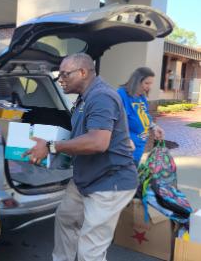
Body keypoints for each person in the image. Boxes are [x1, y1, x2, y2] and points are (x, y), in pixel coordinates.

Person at [23, 53, 138, 261]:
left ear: (83, 72)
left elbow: (97, 142)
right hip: (85, 177)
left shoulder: (102, 97)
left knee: (89, 251)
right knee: (66, 219)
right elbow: (80, 135)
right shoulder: (84, 98)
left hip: (109, 182)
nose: (60, 80)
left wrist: (51, 146)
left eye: (65, 74)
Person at [117, 67, 165, 166]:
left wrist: (154, 127)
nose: (149, 87)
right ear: (136, 81)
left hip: (138, 147)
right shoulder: (121, 95)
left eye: (151, 83)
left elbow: (145, 116)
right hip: (125, 149)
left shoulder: (141, 97)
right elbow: (115, 121)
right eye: (146, 83)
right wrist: (125, 139)